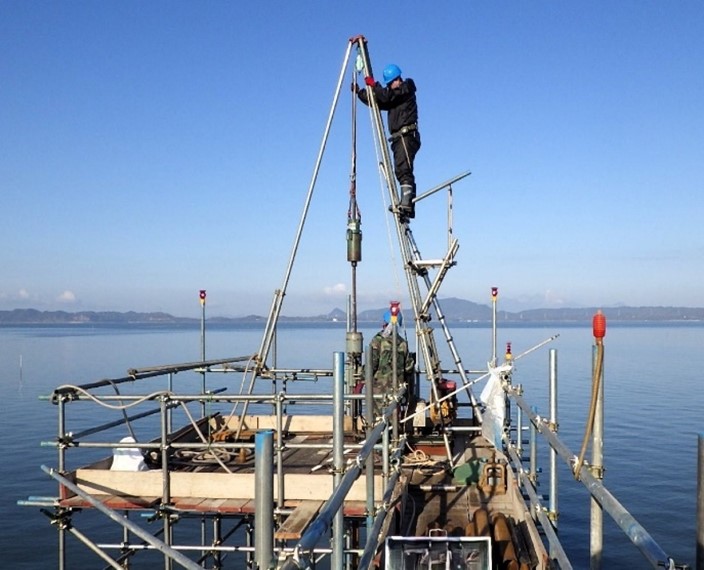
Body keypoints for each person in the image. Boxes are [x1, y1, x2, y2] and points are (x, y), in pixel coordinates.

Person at [357, 64, 421, 220]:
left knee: (403, 169)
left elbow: (386, 96)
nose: (390, 86)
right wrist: (360, 93)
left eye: (391, 83)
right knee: (401, 169)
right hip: (399, 137)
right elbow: (379, 101)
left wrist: (375, 85)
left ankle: (406, 203)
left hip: (406, 135)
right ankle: (407, 207)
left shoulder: (406, 87)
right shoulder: (394, 97)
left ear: (397, 79)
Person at [369, 310, 415, 416]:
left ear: (385, 324)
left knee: (378, 417)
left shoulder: (378, 340)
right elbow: (409, 367)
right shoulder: (402, 343)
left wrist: (362, 377)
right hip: (397, 388)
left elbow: (372, 364)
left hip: (379, 388)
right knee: (394, 415)